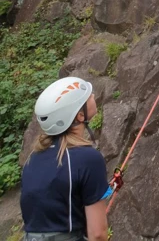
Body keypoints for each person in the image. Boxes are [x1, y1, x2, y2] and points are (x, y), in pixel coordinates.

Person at [20, 77, 110, 241]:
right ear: (80, 116)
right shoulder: (88, 159)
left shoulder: (33, 159)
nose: (93, 95)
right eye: (88, 97)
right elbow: (98, 235)